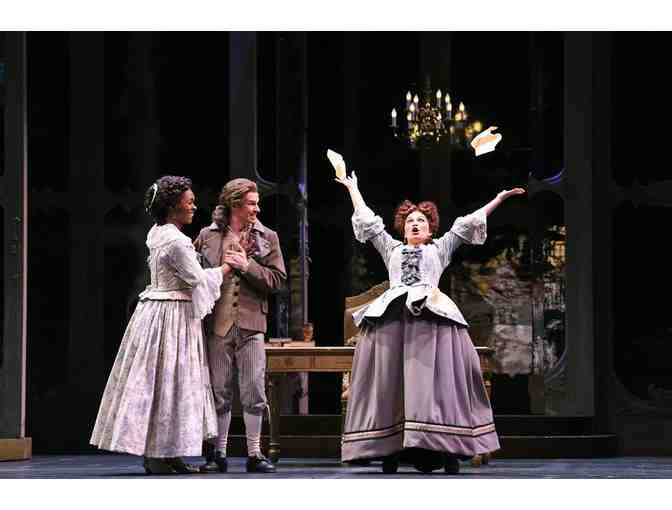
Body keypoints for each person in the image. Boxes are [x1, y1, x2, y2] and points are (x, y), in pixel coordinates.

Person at [337, 170, 524, 474]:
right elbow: (369, 222)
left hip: (431, 322)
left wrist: (498, 199)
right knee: (391, 383)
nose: (415, 224)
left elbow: (469, 223)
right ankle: (390, 445)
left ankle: (444, 443)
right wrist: (352, 188)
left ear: (430, 228)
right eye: (410, 220)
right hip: (394, 323)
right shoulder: (391, 248)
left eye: (421, 221)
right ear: (403, 228)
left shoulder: (440, 248)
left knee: (437, 383)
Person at [90, 175, 226, 474]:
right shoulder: (176, 240)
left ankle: (169, 452)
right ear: (173, 206)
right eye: (189, 202)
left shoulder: (157, 232)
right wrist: (227, 267)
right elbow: (197, 279)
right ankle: (157, 454)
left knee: (167, 384)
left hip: (157, 311)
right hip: (172, 316)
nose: (194, 207)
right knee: (171, 384)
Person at [194, 178, 286, 474]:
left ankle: (255, 453)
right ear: (235, 204)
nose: (257, 209)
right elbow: (194, 277)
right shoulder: (207, 236)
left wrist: (248, 267)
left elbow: (278, 280)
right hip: (217, 324)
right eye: (251, 204)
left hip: (251, 323)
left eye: (257, 203)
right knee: (218, 391)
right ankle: (218, 453)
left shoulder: (267, 237)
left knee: (253, 390)